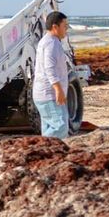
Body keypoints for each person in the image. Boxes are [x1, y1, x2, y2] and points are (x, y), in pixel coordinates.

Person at [32, 11, 71, 139]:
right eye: (64, 26)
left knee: (49, 128)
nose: (67, 29)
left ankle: (46, 154)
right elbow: (50, 69)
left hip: (46, 94)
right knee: (60, 127)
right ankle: (37, 148)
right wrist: (58, 89)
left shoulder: (50, 41)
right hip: (49, 94)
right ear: (55, 27)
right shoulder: (51, 44)